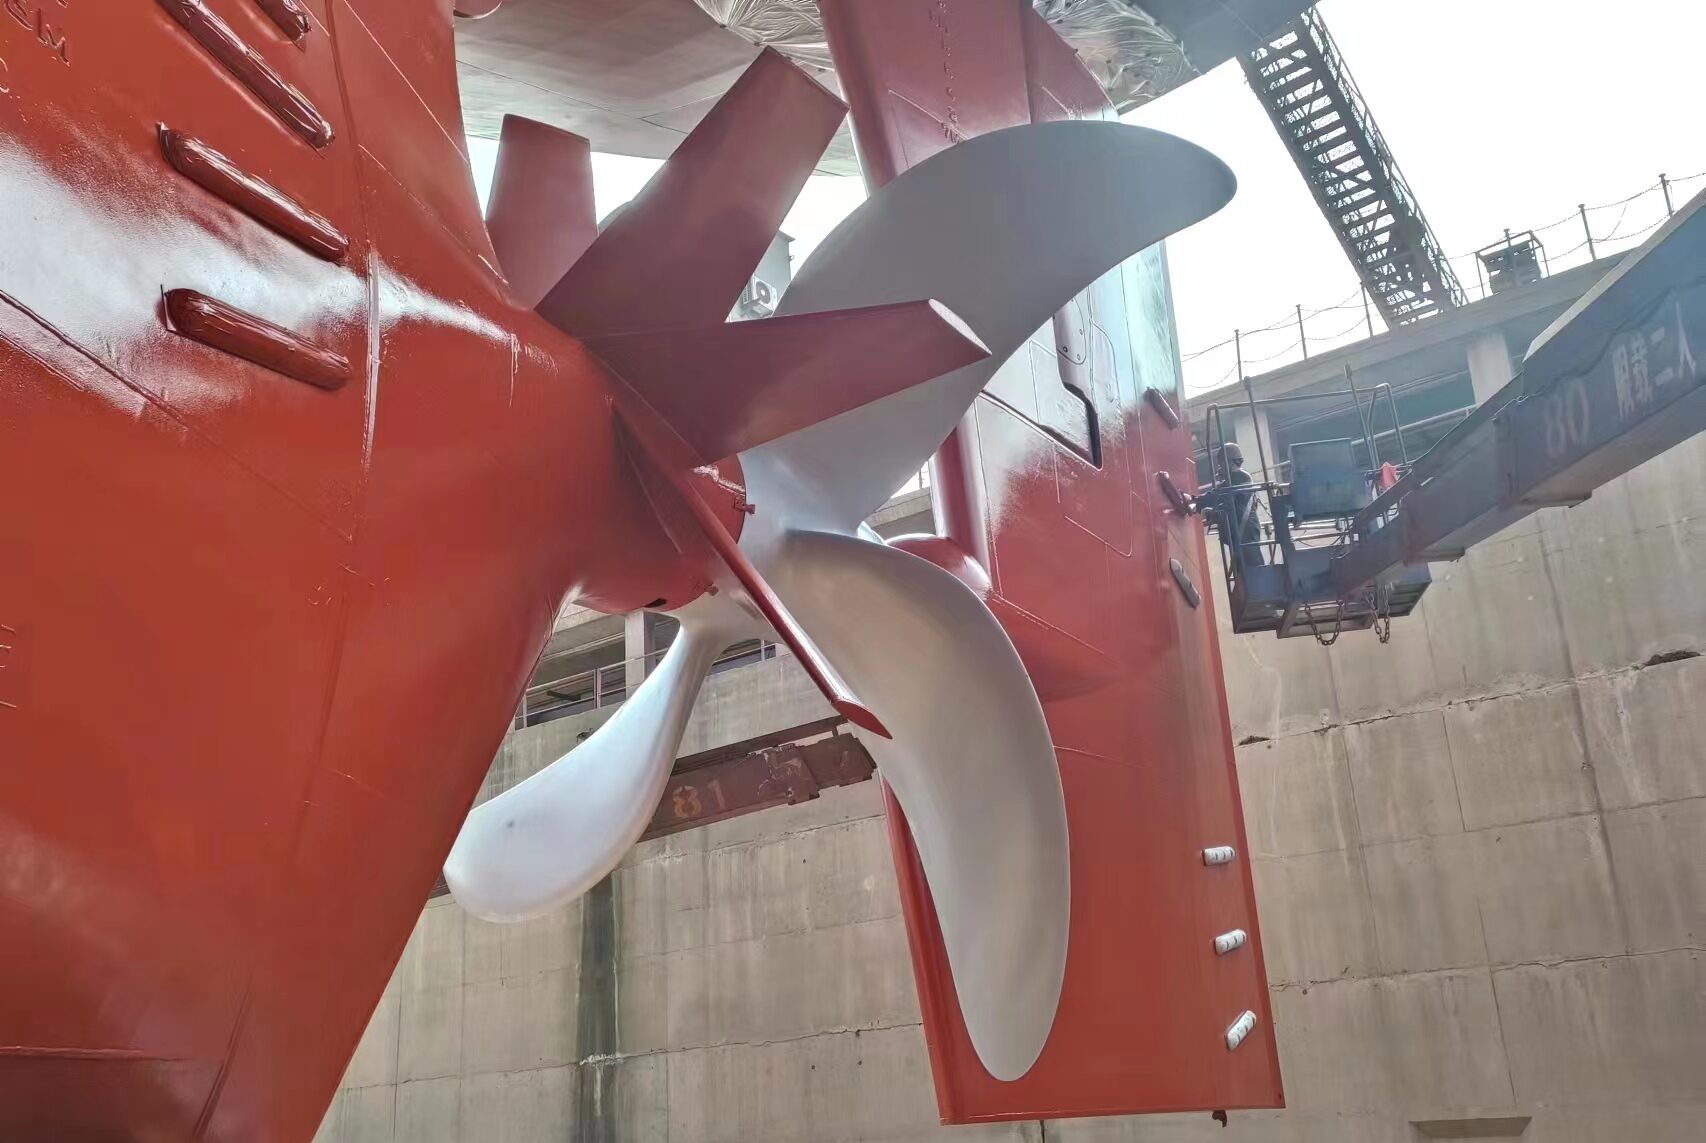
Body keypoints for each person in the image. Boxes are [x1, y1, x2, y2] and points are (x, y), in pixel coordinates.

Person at [1213, 442, 1264, 567]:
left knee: (1255, 569)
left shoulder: (1240, 477)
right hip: (1241, 535)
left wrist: (1199, 500)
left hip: (1246, 533)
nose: (1220, 468)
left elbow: (1220, 493)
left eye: (1221, 464)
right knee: (1245, 570)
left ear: (1230, 462)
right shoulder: (1235, 479)